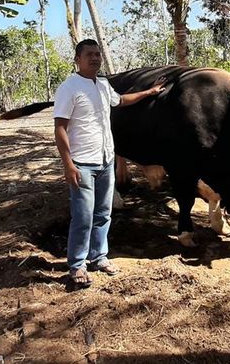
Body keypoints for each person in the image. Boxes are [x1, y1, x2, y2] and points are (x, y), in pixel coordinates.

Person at [53, 39, 165, 288]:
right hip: (82, 163)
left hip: (105, 160)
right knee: (83, 217)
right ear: (77, 59)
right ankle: (77, 265)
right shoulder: (68, 88)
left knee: (104, 213)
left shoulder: (103, 85)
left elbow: (122, 101)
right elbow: (60, 127)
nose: (95, 58)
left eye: (97, 54)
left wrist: (149, 92)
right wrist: (67, 164)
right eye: (89, 54)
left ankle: (99, 257)